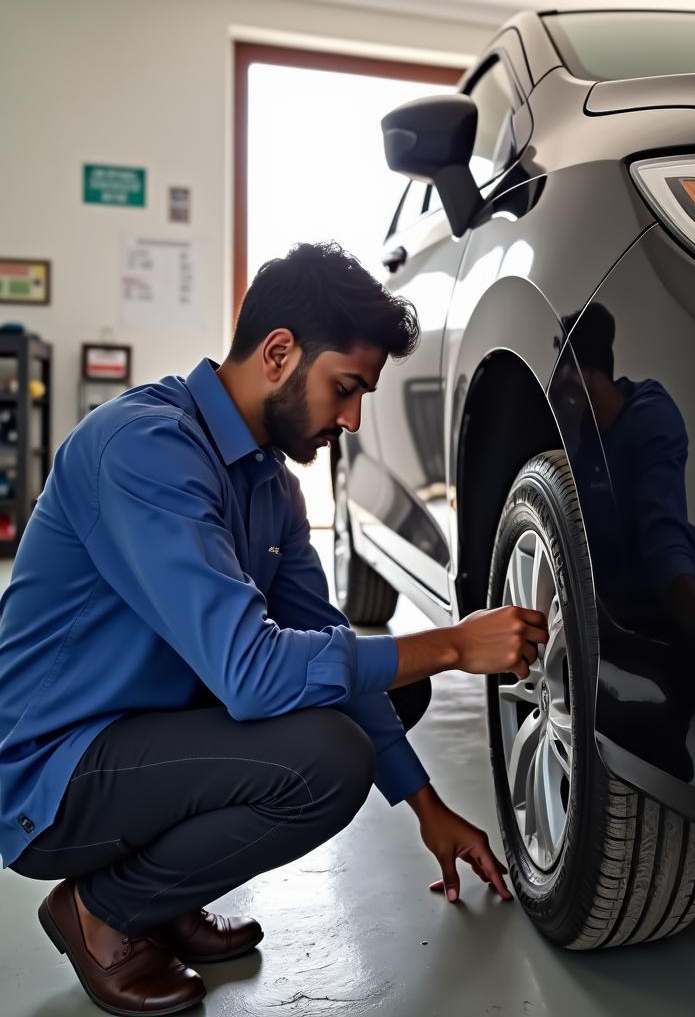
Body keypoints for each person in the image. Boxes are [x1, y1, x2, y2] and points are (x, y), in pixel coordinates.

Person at [0, 241, 547, 1017]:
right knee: (327, 758)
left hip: (144, 735)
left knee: (389, 690)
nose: (353, 419)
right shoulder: (145, 449)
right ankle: (103, 912)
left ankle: (165, 896)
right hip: (52, 771)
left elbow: (321, 634)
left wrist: (426, 807)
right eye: (346, 388)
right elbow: (253, 673)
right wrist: (455, 642)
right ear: (280, 352)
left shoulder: (267, 482)